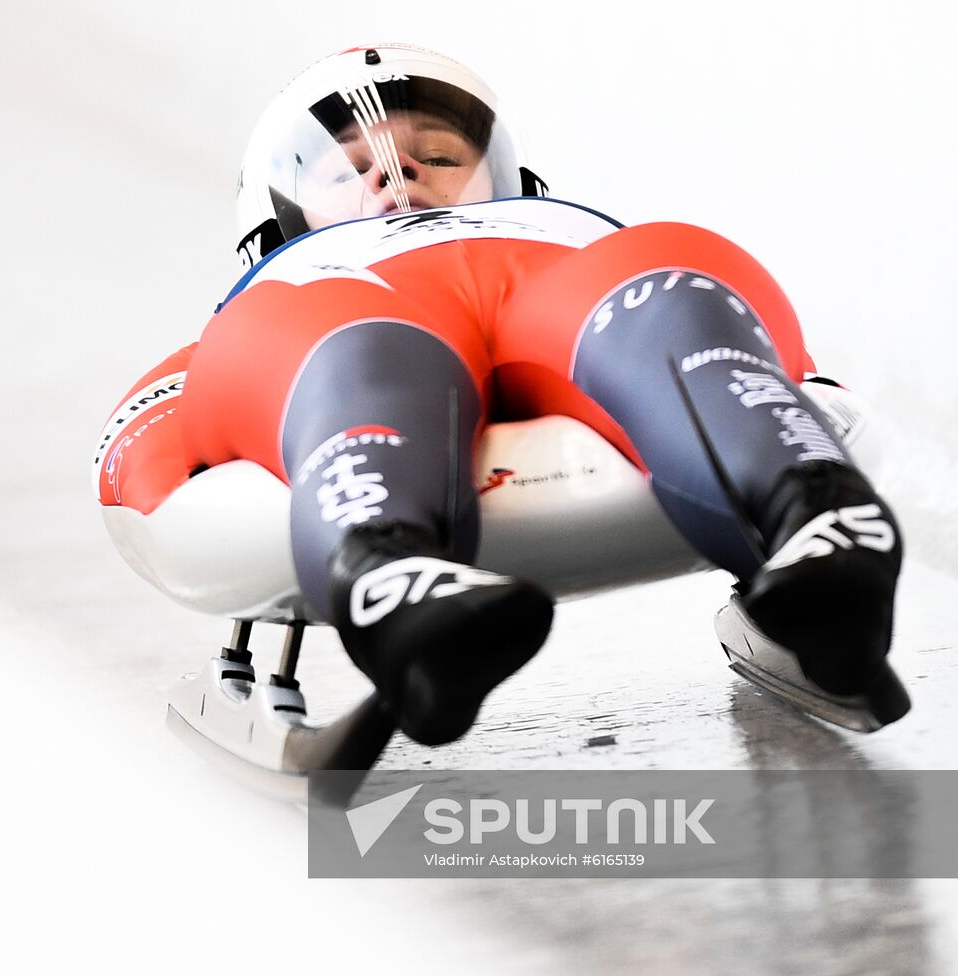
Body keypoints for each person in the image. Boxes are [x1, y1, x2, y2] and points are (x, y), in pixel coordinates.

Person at [93, 43, 906, 747]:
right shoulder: (279, 293)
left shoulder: (565, 234)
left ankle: (820, 522)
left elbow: (776, 353)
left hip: (561, 293)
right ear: (275, 220)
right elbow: (149, 437)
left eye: (440, 156)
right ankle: (396, 580)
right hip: (350, 310)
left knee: (659, 271)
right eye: (350, 169)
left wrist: (802, 392)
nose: (399, 172)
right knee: (338, 339)